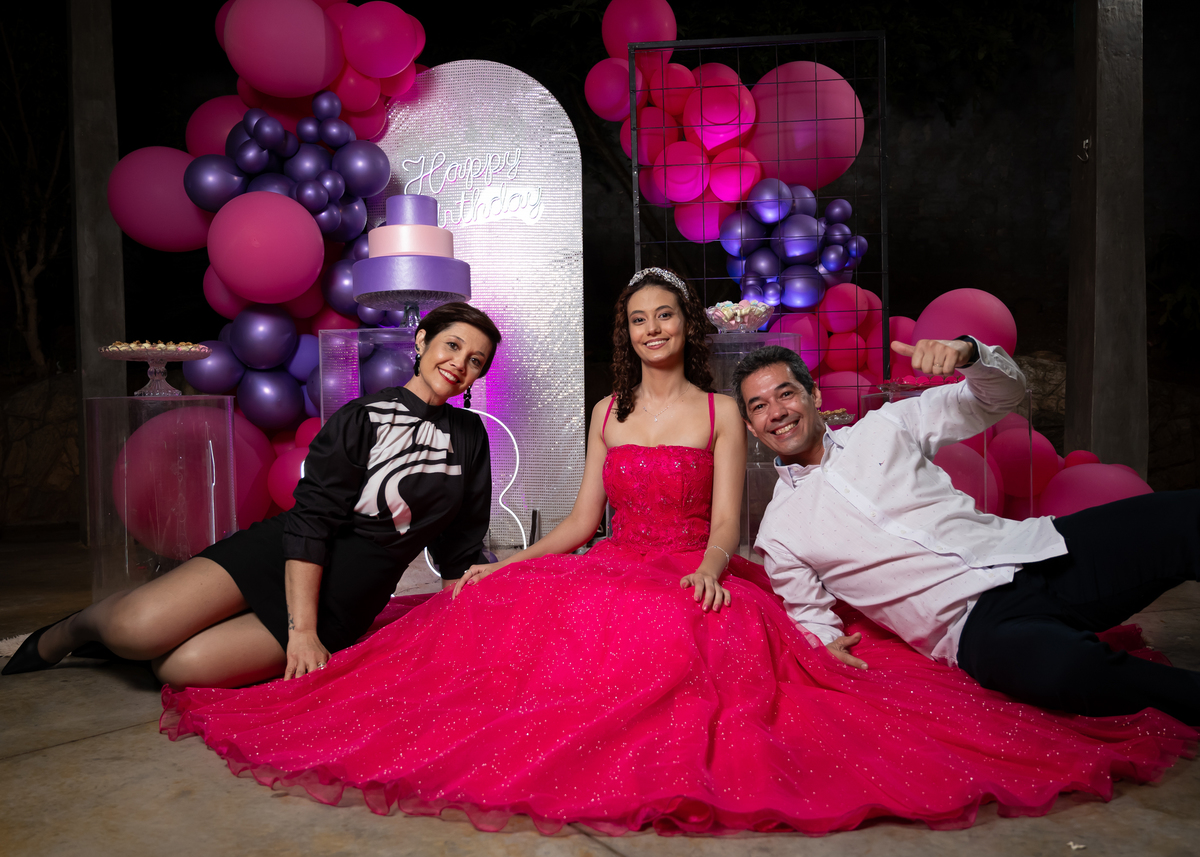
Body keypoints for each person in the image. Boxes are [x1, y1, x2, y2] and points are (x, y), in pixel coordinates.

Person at [155, 271, 1192, 836]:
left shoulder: (726, 410)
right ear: (626, 332)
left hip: (701, 562)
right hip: (617, 560)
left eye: (664, 315)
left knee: (687, 639)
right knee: (514, 629)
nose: (651, 327)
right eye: (637, 317)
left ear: (686, 328)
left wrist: (708, 562)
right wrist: (501, 567)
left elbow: (729, 525)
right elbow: (577, 526)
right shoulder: (609, 412)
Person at [3, 302, 501, 689]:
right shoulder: (362, 416)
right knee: (136, 630)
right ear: (422, 340)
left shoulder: (472, 438)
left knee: (178, 667)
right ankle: (74, 630)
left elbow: (459, 547)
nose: (459, 363)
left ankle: (150, 637)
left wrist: (455, 635)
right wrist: (300, 633)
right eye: (452, 345)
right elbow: (312, 522)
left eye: (474, 360)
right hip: (282, 553)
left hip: (347, 597)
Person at [736, 337, 1200, 725]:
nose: (776, 411)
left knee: (1184, 515)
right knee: (1069, 671)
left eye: (786, 394)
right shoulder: (779, 530)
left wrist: (970, 354)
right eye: (759, 406)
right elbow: (809, 615)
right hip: (975, 627)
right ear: (752, 428)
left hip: (1037, 552)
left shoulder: (888, 424)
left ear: (814, 396)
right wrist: (822, 645)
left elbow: (997, 398)